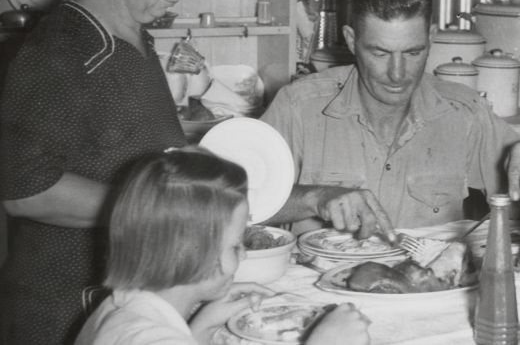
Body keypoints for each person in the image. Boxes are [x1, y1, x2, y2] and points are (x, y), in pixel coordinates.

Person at [0, 0, 214, 343]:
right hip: (64, 315)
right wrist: (155, 211)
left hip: (125, 308)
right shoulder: (60, 51)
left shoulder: (135, 38)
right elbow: (22, 189)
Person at [260, 0, 520, 238]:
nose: (397, 74)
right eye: (379, 53)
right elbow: (231, 201)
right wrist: (316, 198)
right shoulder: (299, 106)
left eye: (413, 53)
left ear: (430, 37)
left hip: (427, 289)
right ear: (351, 40)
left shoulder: (464, 113)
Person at [74, 147, 371, 345]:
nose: (243, 254)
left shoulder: (117, 307)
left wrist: (202, 325)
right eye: (235, 245)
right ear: (192, 251)